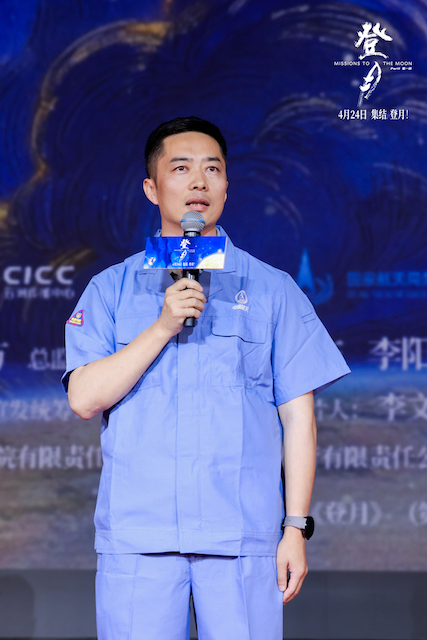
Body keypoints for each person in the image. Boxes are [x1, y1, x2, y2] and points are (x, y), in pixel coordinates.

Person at [63, 116, 350, 640]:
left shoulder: (272, 289)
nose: (199, 181)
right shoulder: (110, 289)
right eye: (181, 168)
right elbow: (84, 398)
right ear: (152, 188)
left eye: (212, 169)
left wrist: (295, 527)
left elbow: (299, 420)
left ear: (226, 186)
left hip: (242, 537)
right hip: (141, 537)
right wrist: (162, 326)